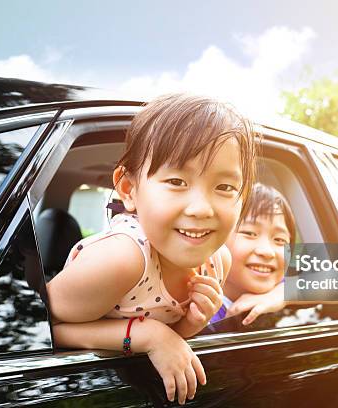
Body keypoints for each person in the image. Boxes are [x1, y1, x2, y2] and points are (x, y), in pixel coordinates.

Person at [46, 93, 258, 405]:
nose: (201, 208)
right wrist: (148, 336)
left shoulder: (218, 260)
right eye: (176, 181)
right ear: (129, 189)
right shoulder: (121, 259)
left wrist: (190, 324)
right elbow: (45, 326)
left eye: (225, 187)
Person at [210, 183, 296, 326]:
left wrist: (281, 296)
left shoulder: (280, 284)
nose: (267, 252)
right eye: (249, 233)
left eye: (280, 240)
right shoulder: (198, 311)